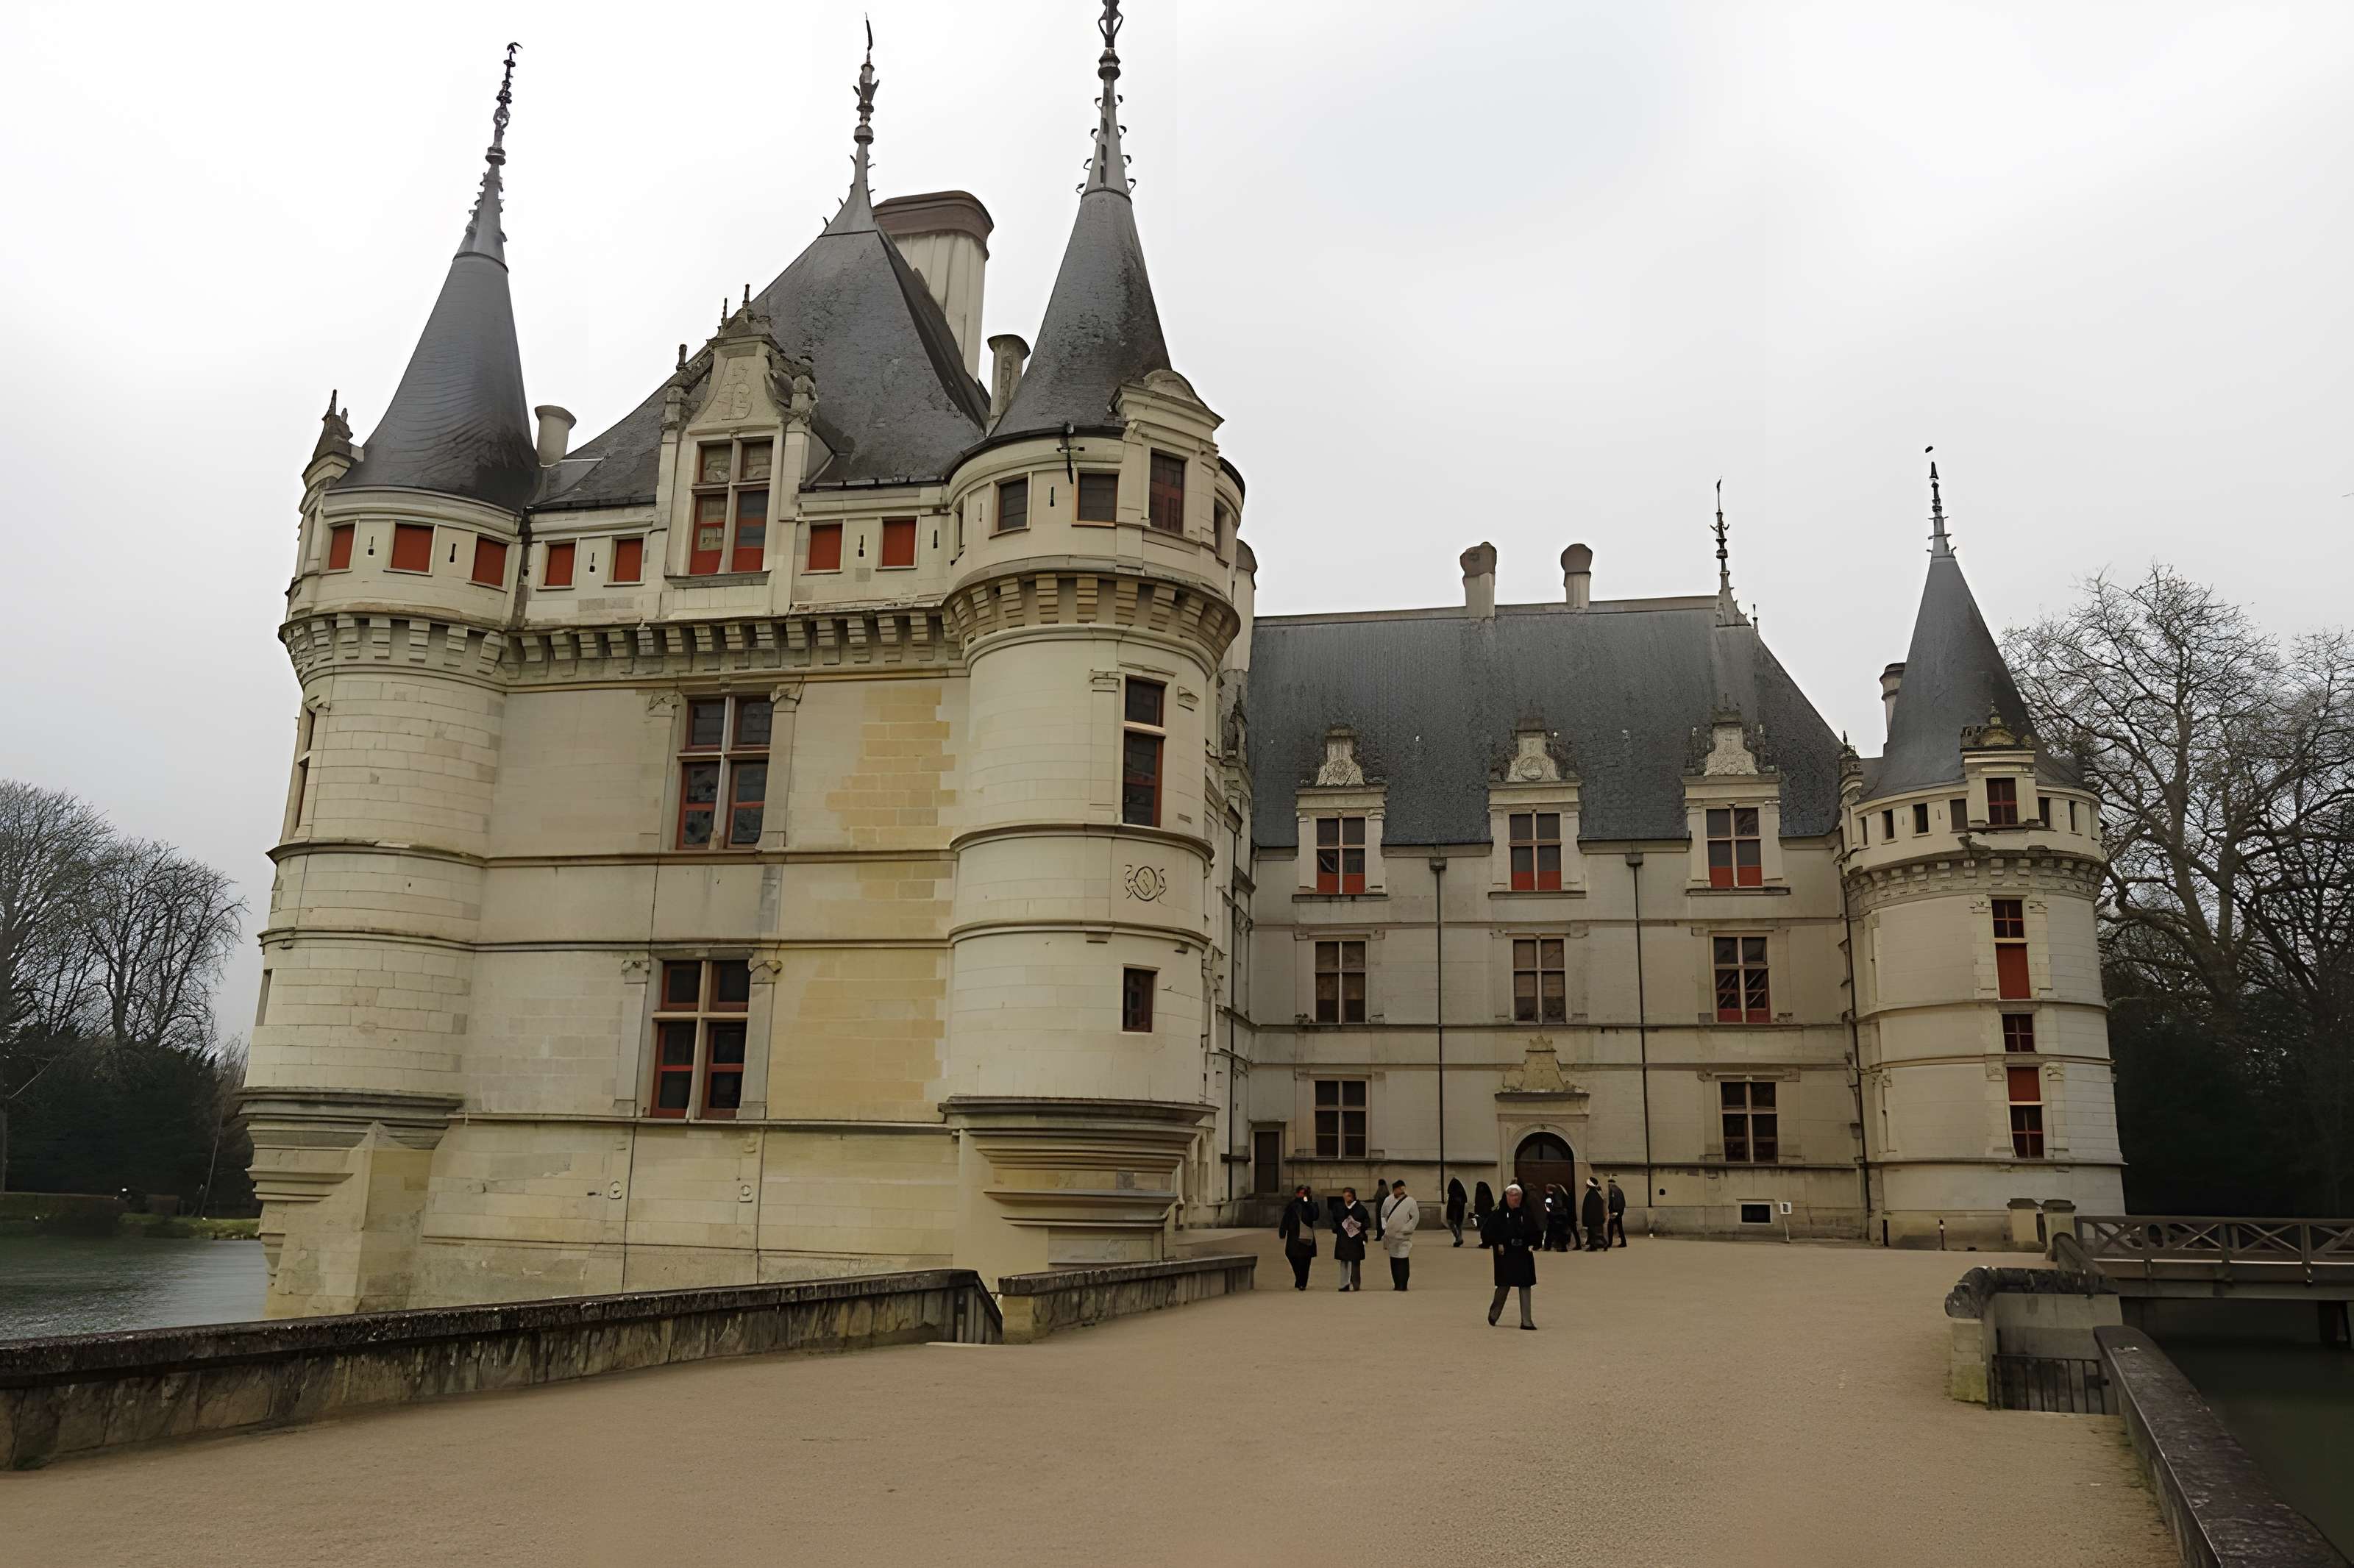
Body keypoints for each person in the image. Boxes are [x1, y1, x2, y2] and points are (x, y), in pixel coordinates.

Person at [1486, 1182, 1540, 1329]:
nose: (1515, 1198)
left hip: (1523, 1251)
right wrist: (1498, 1243)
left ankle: (1526, 1321)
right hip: (1505, 1253)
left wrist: (1534, 1243)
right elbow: (1488, 1232)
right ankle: (1494, 1313)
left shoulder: (1526, 1212)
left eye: (1517, 1195)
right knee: (1504, 1285)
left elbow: (1535, 1229)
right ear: (1506, 1196)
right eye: (1512, 1195)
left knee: (1525, 1285)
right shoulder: (1498, 1213)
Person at [1277, 1185, 1319, 1291]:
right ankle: (1299, 1279)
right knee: (1292, 1256)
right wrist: (1282, 1232)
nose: (1302, 1195)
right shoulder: (1292, 1205)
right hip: (1294, 1235)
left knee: (1305, 1260)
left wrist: (1308, 1204)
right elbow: (1286, 1219)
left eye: (1304, 1193)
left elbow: (1315, 1216)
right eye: (1300, 1193)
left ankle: (1302, 1283)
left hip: (1306, 1235)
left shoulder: (1312, 1205)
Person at [1379, 1179, 1420, 1290]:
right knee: (1394, 1260)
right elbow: (1383, 1215)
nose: (1399, 1191)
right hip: (1391, 1235)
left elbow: (1415, 1218)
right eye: (1397, 1189)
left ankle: (1403, 1284)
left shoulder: (1410, 1201)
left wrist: (1407, 1228)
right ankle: (1397, 1284)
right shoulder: (1388, 1200)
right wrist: (1385, 1227)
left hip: (1403, 1236)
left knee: (1403, 1259)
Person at [1333, 1186, 1371, 1291]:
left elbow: (1367, 1222)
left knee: (1355, 1261)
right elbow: (1335, 1220)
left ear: (1353, 1196)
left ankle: (1355, 1283)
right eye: (1345, 1196)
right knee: (1344, 1261)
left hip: (1356, 1238)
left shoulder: (1360, 1209)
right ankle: (1344, 1284)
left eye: (1349, 1195)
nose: (1347, 1198)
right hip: (1343, 1237)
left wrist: (1360, 1226)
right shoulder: (1339, 1207)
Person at [1544, 1183, 1574, 1252]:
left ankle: (1549, 1247)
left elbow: (1557, 1205)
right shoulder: (1562, 1194)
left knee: (1551, 1232)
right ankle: (1562, 1247)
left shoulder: (1554, 1196)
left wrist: (1551, 1210)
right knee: (1561, 1232)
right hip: (1562, 1215)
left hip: (1556, 1216)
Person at [1582, 1175, 1607, 1253]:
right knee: (1596, 1233)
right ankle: (1601, 1244)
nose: (1586, 1185)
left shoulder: (1590, 1194)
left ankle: (1595, 1247)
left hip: (1592, 1218)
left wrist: (1586, 1219)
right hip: (1598, 1217)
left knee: (1593, 1233)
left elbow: (1588, 1208)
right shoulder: (1596, 1194)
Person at [1606, 1175, 1628, 1247]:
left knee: (1610, 1226)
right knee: (1620, 1227)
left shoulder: (1612, 1190)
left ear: (1610, 1184)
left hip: (1615, 1211)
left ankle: (1609, 1243)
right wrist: (1621, 1211)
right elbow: (1623, 1202)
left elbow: (1612, 1202)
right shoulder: (1619, 1190)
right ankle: (1624, 1242)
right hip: (1620, 1211)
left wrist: (1611, 1211)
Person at [1445, 1177, 1468, 1247]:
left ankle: (1458, 1238)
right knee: (1458, 1225)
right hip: (1459, 1214)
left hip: (1453, 1214)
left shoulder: (1453, 1197)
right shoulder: (1461, 1196)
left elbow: (1452, 1210)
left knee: (1452, 1223)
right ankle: (1458, 1239)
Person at [1473, 1181, 1496, 1248]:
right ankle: (1486, 1242)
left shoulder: (1480, 1195)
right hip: (1485, 1214)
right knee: (1485, 1228)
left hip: (1484, 1214)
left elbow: (1478, 1204)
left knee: (1484, 1228)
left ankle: (1486, 1242)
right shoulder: (1486, 1194)